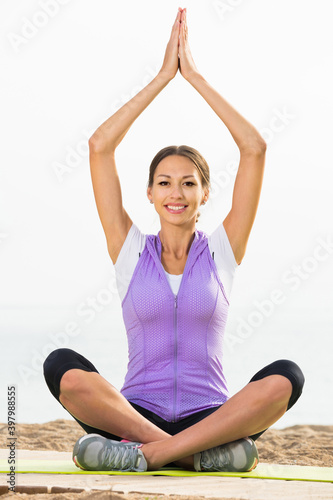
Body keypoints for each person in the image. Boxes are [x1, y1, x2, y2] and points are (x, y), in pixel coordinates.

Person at [43, 7, 304, 472]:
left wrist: (196, 77)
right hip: (137, 414)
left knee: (287, 378)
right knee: (61, 365)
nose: (176, 193)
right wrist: (164, 76)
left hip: (212, 415)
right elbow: (100, 145)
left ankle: (154, 457)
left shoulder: (223, 250)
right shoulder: (130, 251)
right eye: (164, 182)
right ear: (149, 193)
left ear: (205, 193)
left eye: (188, 183)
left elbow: (254, 148)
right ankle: (186, 452)